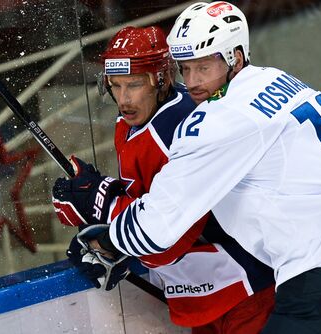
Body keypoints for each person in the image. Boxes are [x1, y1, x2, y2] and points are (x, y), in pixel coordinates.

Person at [52, 2, 321, 333]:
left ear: (236, 58)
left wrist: (105, 241)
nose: (194, 82)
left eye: (204, 67)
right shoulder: (279, 80)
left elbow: (159, 226)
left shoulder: (219, 118)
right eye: (186, 68)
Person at [54, 25, 275, 333]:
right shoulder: (132, 121)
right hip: (201, 293)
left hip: (243, 288)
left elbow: (165, 239)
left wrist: (102, 206)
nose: (123, 99)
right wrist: (93, 203)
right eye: (115, 86)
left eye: (133, 85)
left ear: (163, 79)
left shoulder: (181, 130)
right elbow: (148, 200)